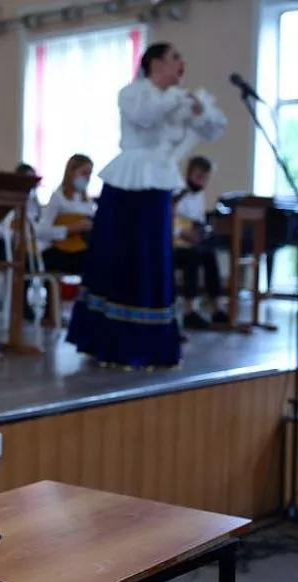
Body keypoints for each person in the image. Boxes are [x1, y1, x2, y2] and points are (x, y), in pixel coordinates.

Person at [65, 43, 227, 369]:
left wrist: (199, 110)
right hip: (128, 183)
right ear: (155, 63)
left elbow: (213, 129)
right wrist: (173, 98)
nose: (181, 63)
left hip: (157, 185)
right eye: (175, 57)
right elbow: (144, 117)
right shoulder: (133, 93)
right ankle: (109, 341)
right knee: (121, 257)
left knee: (153, 259)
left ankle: (150, 344)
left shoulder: (180, 99)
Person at [173, 155, 228, 329]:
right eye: (198, 176)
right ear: (189, 173)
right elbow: (165, 219)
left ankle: (217, 307)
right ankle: (190, 310)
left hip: (190, 241)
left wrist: (203, 231)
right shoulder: (176, 192)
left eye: (205, 178)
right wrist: (182, 232)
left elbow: (198, 220)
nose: (202, 181)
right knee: (194, 256)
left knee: (209, 254)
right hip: (172, 244)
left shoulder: (199, 196)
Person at [36, 154, 96, 275]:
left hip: (82, 250)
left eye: (89, 174)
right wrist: (71, 228)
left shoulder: (89, 203)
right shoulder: (58, 198)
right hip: (59, 251)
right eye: (84, 173)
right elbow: (41, 232)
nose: (87, 178)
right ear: (71, 172)